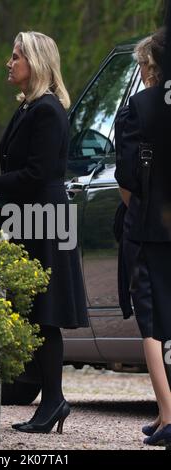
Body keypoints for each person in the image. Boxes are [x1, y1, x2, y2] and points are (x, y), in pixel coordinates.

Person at [0, 31, 88, 434]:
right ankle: (51, 401)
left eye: (15, 57)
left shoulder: (47, 110)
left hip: (45, 218)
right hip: (30, 217)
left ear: (35, 62)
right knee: (35, 312)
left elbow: (38, 173)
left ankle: (54, 402)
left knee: (46, 313)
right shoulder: (29, 108)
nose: (9, 63)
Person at [115, 28, 171, 447]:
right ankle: (162, 412)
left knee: (151, 319)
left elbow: (127, 179)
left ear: (150, 65)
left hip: (151, 226)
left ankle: (169, 415)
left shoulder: (138, 106)